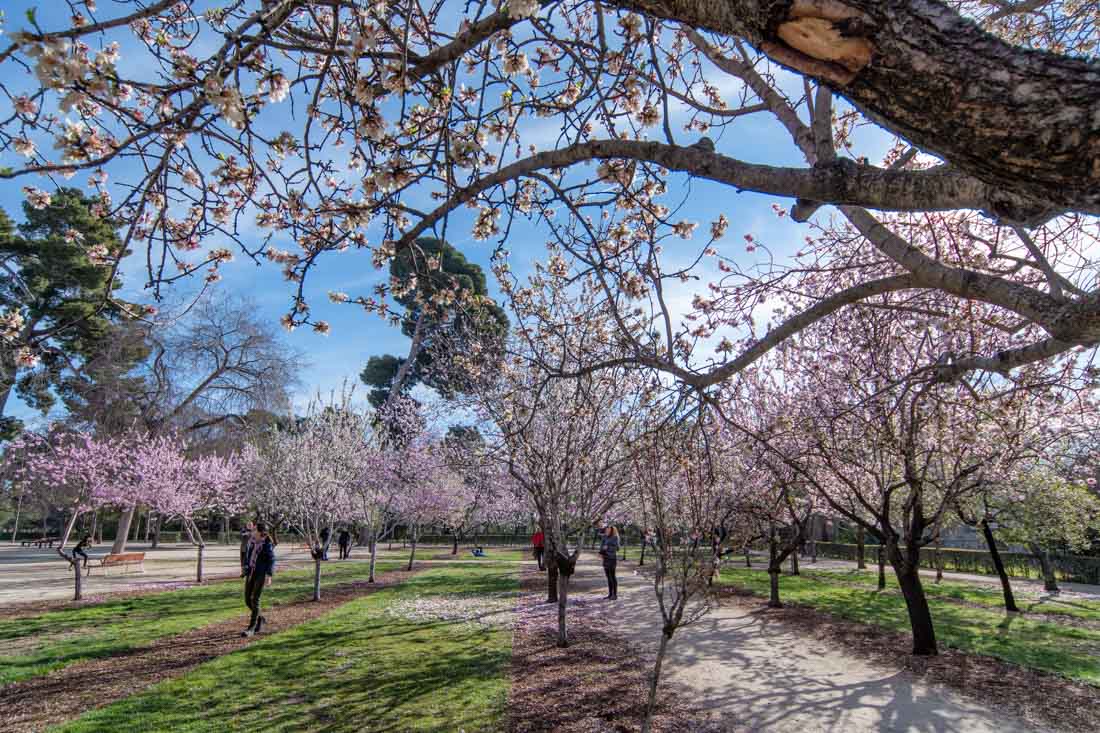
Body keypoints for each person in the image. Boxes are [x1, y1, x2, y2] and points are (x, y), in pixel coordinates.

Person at [242, 522, 275, 637]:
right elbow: (248, 556)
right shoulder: (252, 542)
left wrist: (269, 576)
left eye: (255, 530)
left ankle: (251, 628)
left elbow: (271, 560)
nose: (253, 531)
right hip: (251, 572)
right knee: (247, 600)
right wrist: (246, 566)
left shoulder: (267, 544)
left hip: (260, 574)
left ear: (260, 532)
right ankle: (260, 618)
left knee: (255, 600)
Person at [599, 525, 621, 600]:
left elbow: (617, 548)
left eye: (608, 530)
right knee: (608, 577)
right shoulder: (604, 537)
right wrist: (601, 552)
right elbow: (601, 547)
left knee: (612, 576)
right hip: (605, 558)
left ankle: (614, 595)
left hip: (612, 559)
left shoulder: (615, 537)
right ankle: (610, 594)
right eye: (606, 530)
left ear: (612, 530)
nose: (607, 531)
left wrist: (607, 547)